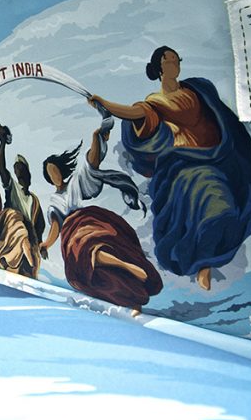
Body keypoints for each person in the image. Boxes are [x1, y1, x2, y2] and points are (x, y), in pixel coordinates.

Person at [89, 45, 251, 291]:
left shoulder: (198, 89)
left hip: (215, 159)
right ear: (159, 67)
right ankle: (203, 266)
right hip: (185, 167)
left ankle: (206, 261)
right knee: (213, 209)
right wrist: (106, 104)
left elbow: (220, 117)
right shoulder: (155, 103)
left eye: (176, 59)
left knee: (228, 212)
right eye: (169, 60)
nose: (175, 64)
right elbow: (133, 113)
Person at [38, 126, 162, 313]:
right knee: (93, 271)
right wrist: (47, 243)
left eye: (55, 170)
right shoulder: (54, 201)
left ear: (61, 170)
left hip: (88, 221)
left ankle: (128, 269)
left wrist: (97, 138)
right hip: (70, 231)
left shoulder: (75, 182)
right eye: (50, 173)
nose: (54, 175)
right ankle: (129, 283)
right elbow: (56, 225)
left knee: (89, 246)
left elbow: (92, 163)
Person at [0, 125, 45, 277]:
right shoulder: (12, 187)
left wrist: (40, 245)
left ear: (28, 172)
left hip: (26, 235)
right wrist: (2, 143)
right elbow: (1, 168)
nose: (18, 170)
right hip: (10, 223)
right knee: (19, 227)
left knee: (27, 246)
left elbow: (39, 226)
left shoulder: (34, 200)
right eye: (16, 168)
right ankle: (4, 257)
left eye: (20, 167)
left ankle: (4, 258)